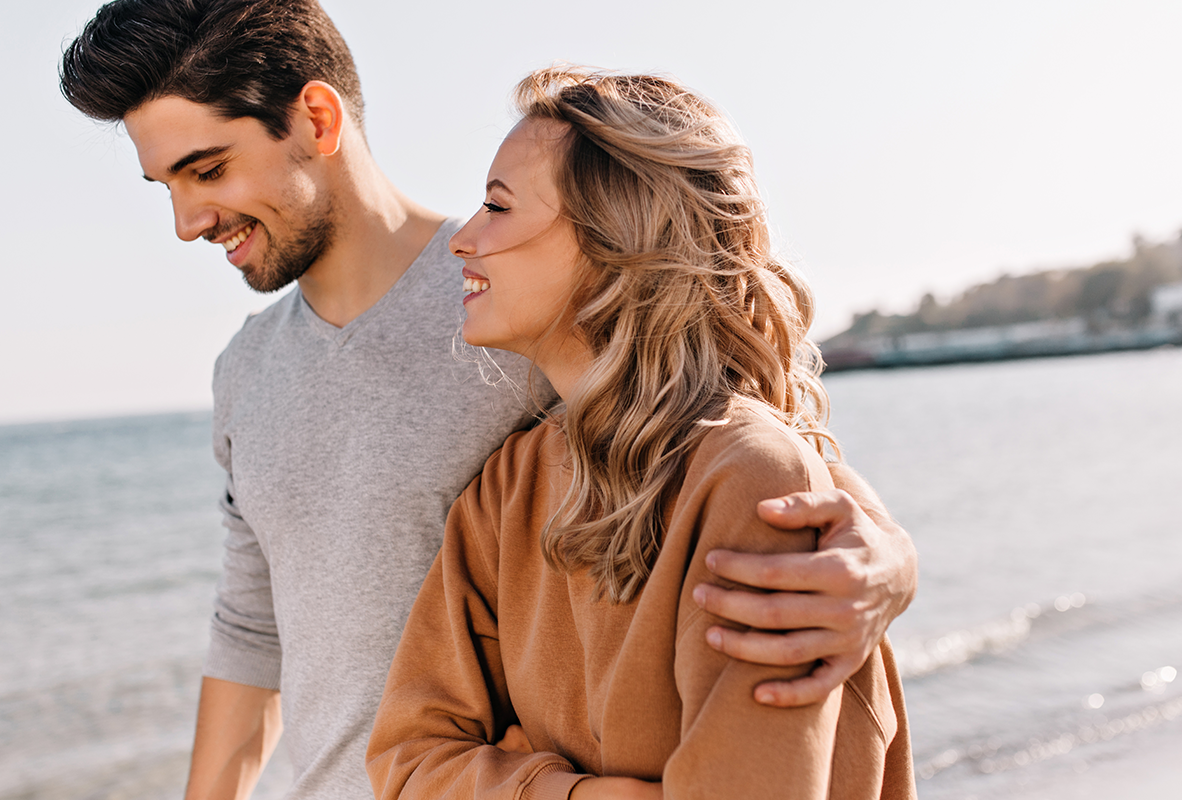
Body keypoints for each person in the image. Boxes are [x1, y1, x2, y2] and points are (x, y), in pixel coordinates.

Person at [58, 2, 918, 798]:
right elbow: (252, 629)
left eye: (205, 170)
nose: (186, 220)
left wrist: (882, 554)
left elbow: (742, 427)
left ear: (316, 121)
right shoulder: (244, 373)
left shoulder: (523, 292)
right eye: (165, 185)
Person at [364, 67, 914, 800]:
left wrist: (505, 766)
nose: (462, 241)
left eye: (497, 206)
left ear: (614, 238)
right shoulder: (508, 486)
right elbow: (407, 762)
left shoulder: (750, 481)